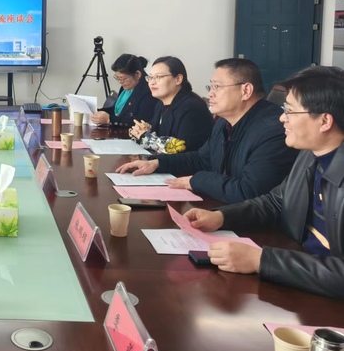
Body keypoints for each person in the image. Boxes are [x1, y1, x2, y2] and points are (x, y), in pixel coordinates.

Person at [184, 66, 344, 299]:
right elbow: (276, 202)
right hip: (300, 279)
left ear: (325, 121)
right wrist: (221, 217)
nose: (282, 118)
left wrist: (261, 260)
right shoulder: (311, 155)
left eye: (290, 111)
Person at [117, 58, 298, 203]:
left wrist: (196, 180)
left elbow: (249, 191)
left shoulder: (273, 131)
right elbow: (202, 158)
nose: (210, 93)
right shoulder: (224, 121)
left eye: (217, 87)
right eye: (210, 87)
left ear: (246, 90)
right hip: (223, 208)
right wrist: (157, 163)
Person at [129, 56, 214, 154]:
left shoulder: (192, 108)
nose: (152, 82)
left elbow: (182, 149)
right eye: (150, 77)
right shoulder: (160, 104)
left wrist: (145, 137)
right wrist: (142, 129)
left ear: (178, 79)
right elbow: (155, 131)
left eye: (158, 77)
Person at [91, 54, 157, 127]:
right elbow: (115, 111)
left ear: (137, 74)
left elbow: (139, 122)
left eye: (123, 79)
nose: (120, 82)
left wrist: (110, 119)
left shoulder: (148, 93)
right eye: (117, 78)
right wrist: (96, 112)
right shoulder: (126, 88)